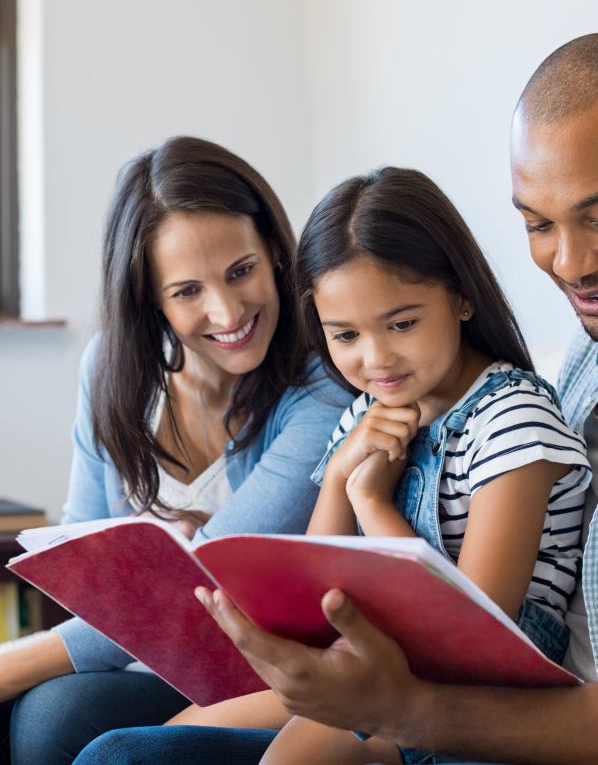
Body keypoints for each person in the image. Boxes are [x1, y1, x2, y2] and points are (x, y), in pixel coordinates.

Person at [75, 33, 598, 765]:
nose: (571, 265)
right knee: (121, 754)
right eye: (537, 225)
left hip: (506, 720)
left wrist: (404, 709)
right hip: (459, 705)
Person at [178, 166, 589, 765]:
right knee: (157, 736)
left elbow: (474, 628)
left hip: (480, 694)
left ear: (462, 296)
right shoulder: (369, 412)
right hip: (377, 659)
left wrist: (369, 501)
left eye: (401, 323)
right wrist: (343, 474)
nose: (376, 359)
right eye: (344, 335)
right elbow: (314, 587)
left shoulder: (511, 418)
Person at [0, 136, 350, 765]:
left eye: (241, 270)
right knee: (34, 718)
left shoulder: (323, 387)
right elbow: (83, 565)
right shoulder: (111, 370)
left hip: (261, 678)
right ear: (150, 298)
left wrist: (11, 663)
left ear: (274, 250)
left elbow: (194, 596)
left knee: (48, 720)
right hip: (135, 661)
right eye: (188, 291)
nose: (227, 310)